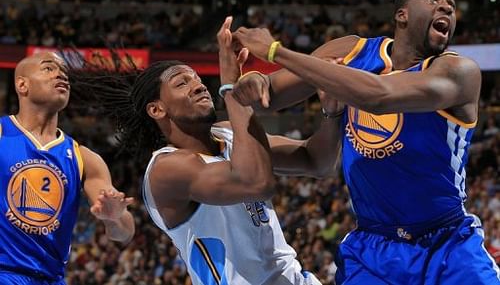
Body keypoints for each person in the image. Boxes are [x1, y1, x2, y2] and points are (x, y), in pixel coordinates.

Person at [231, 0, 500, 284]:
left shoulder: (459, 72)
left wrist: (275, 50)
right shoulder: (352, 51)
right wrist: (252, 81)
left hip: (447, 245)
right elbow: (270, 96)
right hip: (372, 248)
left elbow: (379, 96)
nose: (446, 6)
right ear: (402, 14)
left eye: (451, 4)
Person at [65, 16, 344, 284]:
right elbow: (257, 183)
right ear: (157, 109)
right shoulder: (167, 169)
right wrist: (233, 88)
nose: (197, 85)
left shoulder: (228, 132)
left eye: (197, 78)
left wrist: (331, 112)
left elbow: (317, 161)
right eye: (181, 83)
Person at [0, 52, 135, 284]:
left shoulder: (85, 158)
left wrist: (114, 217)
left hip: (53, 278)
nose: (61, 75)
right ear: (22, 84)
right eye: (48, 68)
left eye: (64, 71)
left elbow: (124, 233)